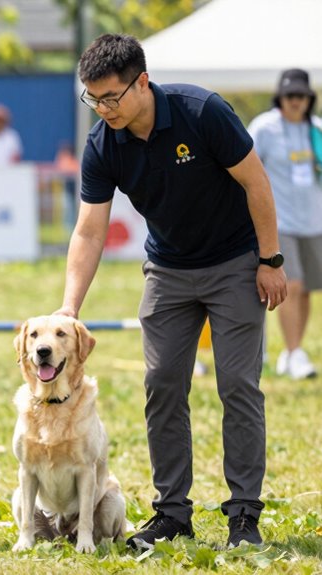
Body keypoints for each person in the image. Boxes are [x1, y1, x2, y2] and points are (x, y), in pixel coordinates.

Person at [58, 34, 285, 550]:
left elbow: (257, 184)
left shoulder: (201, 112)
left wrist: (270, 260)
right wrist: (70, 306)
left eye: (111, 97)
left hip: (235, 262)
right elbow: (90, 230)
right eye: (92, 99)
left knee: (237, 385)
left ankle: (244, 515)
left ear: (142, 82)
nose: (103, 109)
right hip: (168, 269)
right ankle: (172, 513)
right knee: (161, 383)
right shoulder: (103, 144)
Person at [248, 69, 322, 380]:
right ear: (281, 97)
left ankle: (294, 350)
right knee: (290, 285)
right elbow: (247, 170)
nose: (296, 102)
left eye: (302, 96)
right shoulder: (264, 128)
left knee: (305, 290)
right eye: (291, 96)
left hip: (314, 222)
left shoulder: (317, 129)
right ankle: (293, 354)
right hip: (280, 222)